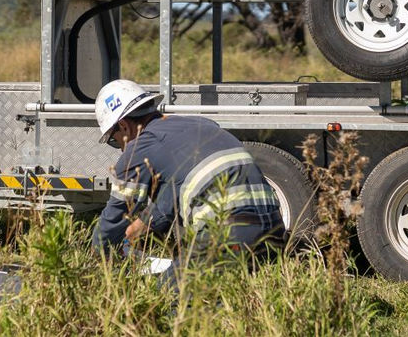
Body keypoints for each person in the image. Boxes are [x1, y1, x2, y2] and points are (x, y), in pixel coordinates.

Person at [91, 79, 285, 282]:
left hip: (228, 235)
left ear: (123, 126)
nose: (121, 148)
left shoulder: (140, 146)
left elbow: (115, 218)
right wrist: (141, 225)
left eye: (114, 141)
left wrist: (98, 261)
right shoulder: (201, 124)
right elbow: (171, 196)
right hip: (274, 232)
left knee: (173, 289)